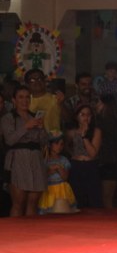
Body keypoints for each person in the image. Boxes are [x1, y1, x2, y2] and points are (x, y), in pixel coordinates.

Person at [1, 85, 48, 216]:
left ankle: (31, 229)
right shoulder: (8, 118)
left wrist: (42, 128)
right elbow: (9, 140)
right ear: (14, 100)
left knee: (33, 202)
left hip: (35, 160)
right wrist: (26, 127)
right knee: (19, 202)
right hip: (17, 159)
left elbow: (44, 141)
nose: (25, 100)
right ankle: (14, 229)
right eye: (21, 97)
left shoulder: (35, 117)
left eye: (27, 97)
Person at [67, 104, 103, 209]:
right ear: (77, 117)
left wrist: (84, 136)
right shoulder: (71, 132)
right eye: (82, 115)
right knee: (77, 198)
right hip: (76, 166)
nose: (86, 117)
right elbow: (66, 147)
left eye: (88, 115)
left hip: (90, 166)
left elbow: (93, 153)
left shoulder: (96, 131)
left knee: (93, 199)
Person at [38, 132, 78, 214]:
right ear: (50, 145)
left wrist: (58, 167)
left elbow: (65, 177)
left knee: (63, 211)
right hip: (49, 191)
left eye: (61, 144)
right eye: (56, 144)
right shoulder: (44, 160)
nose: (59, 146)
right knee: (49, 214)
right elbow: (42, 177)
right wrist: (49, 170)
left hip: (62, 191)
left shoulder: (64, 160)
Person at [26, 68, 63, 133]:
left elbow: (68, 119)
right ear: (27, 84)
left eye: (40, 79)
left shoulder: (56, 98)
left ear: (44, 81)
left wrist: (62, 104)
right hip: (32, 137)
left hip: (55, 137)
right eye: (32, 80)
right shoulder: (24, 101)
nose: (37, 82)